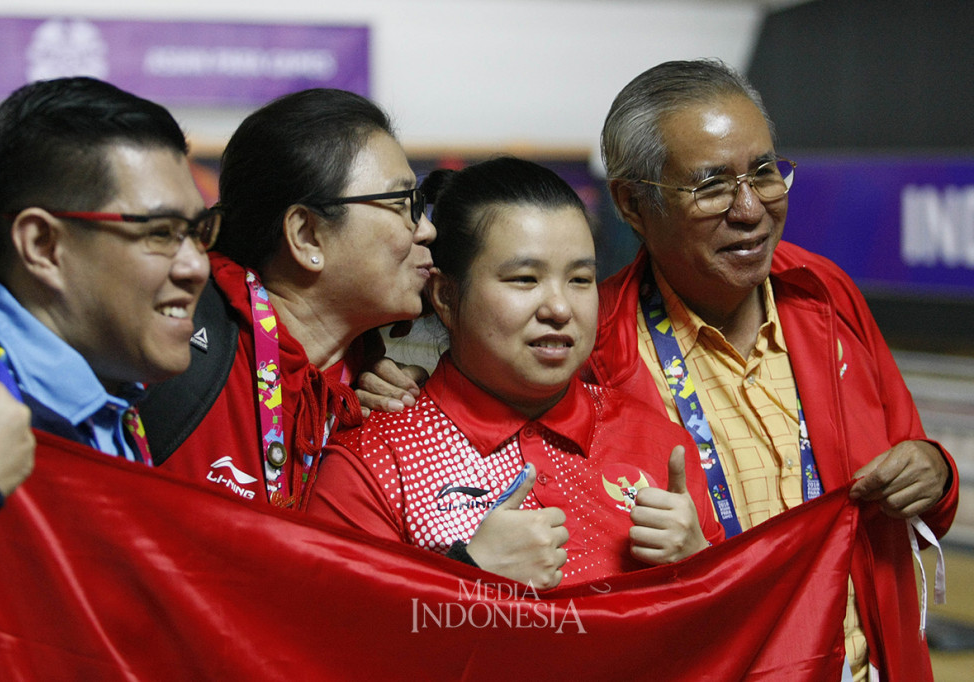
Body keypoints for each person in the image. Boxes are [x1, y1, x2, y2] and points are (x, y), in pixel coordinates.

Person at [588, 59, 958, 680]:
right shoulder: (596, 349)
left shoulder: (826, 293)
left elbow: (914, 465)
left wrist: (935, 473)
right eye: (710, 186)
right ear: (632, 203)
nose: (750, 208)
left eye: (763, 172)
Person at [306, 157, 722, 589]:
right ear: (447, 296)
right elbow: (334, 642)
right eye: (525, 279)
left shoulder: (657, 441)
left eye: (580, 279)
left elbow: (725, 642)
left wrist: (700, 566)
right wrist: (469, 573)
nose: (559, 309)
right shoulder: (373, 462)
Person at [0, 75, 213, 671]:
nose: (197, 265)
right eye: (160, 233)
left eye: (198, 231)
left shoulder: (154, 388)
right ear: (43, 244)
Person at [140, 89, 436, 509]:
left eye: (420, 204)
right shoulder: (175, 344)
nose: (426, 229)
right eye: (402, 203)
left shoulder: (381, 396)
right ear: (306, 235)